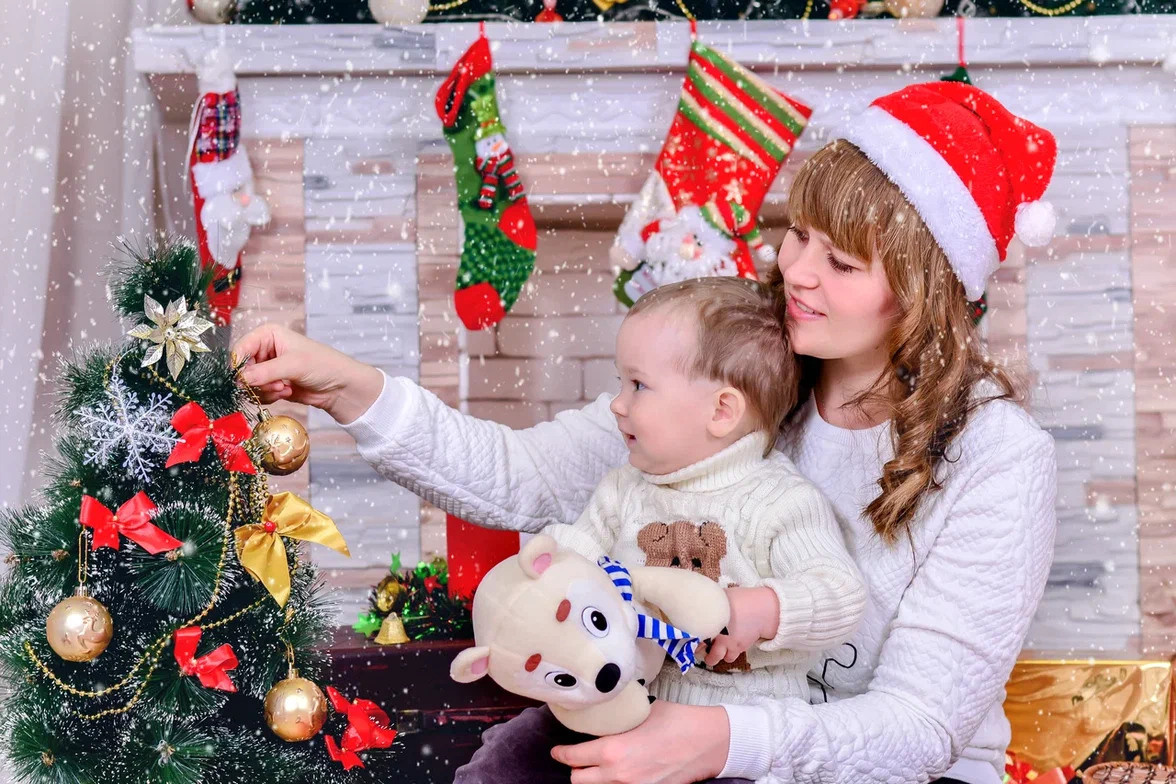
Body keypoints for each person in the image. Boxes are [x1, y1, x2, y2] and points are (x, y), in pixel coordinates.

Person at [233, 80, 1059, 784]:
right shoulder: (746, 366)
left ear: (923, 291)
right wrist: (353, 390)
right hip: (680, 731)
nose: (798, 271)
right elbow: (523, 478)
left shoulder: (997, 456)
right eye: (800, 233)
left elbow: (919, 727)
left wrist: (723, 742)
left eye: (842, 264)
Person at [455, 275, 866, 782]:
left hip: (731, 727)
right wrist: (539, 577)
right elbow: (573, 559)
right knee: (507, 758)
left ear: (721, 410)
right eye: (620, 383)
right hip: (617, 702)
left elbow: (841, 593)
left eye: (638, 385)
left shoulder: (781, 501)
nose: (617, 403)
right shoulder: (623, 490)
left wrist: (762, 609)